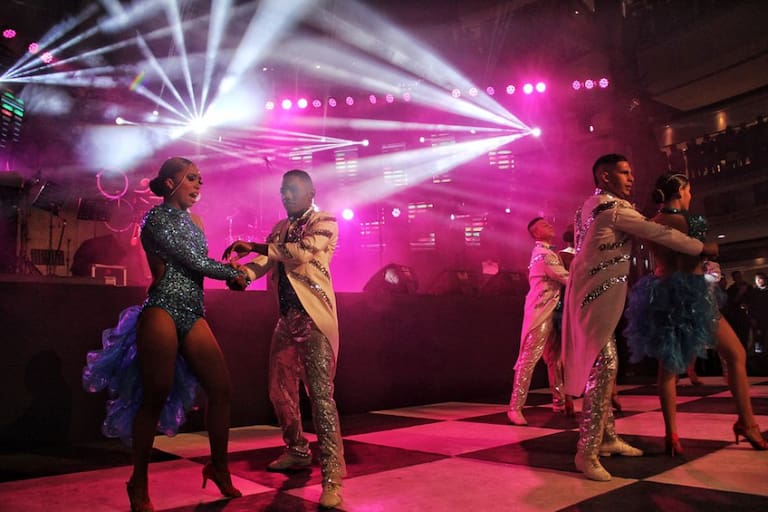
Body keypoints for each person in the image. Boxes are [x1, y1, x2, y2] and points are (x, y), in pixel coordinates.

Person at [83, 157, 246, 512]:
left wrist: (232, 272)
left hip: (193, 312)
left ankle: (218, 467)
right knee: (154, 395)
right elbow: (194, 262)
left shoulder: (197, 222)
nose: (199, 184)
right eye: (191, 178)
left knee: (221, 389)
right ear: (170, 183)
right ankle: (138, 482)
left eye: (200, 179)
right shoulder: (154, 219)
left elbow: (199, 267)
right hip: (161, 309)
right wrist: (233, 272)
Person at [562, 154, 719, 482]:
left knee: (605, 363)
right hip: (596, 295)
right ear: (605, 177)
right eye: (624, 172)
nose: (631, 177)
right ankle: (586, 452)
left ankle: (606, 437)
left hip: (592, 292)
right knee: (605, 365)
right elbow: (658, 233)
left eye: (631, 171)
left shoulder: (588, 206)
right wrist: (700, 247)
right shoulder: (613, 209)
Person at [224, 169, 346, 509]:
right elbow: (267, 260)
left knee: (320, 398)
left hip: (315, 320)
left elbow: (300, 252)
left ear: (311, 193)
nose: (286, 195)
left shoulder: (325, 221)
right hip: (286, 320)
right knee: (278, 390)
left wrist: (253, 245)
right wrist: (244, 276)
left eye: (292, 189)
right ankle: (297, 450)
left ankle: (333, 479)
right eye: (283, 190)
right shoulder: (280, 228)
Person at [624, 172, 767, 455]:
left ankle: (672, 434)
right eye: (689, 191)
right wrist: (710, 250)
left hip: (663, 294)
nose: (691, 196)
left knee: (668, 368)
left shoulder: (652, 223)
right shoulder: (691, 221)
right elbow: (700, 253)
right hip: (692, 294)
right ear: (680, 191)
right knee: (736, 355)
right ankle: (747, 423)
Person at [507, 217, 571, 425]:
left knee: (554, 358)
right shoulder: (544, 255)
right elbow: (566, 278)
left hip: (550, 311)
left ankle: (559, 402)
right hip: (540, 313)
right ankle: (515, 408)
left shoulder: (545, 253)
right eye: (544, 225)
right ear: (535, 233)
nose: (549, 225)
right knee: (529, 360)